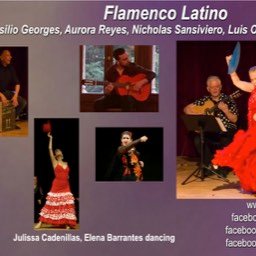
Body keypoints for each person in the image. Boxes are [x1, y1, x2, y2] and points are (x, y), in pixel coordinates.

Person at [212, 57, 256, 192]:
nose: (254, 82)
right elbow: (236, 81)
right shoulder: (252, 88)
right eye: (252, 79)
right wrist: (230, 65)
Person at [184, 76, 238, 177]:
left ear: (221, 87)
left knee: (225, 140)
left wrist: (226, 110)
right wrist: (199, 116)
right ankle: (208, 165)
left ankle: (223, 167)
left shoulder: (229, 100)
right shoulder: (204, 100)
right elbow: (186, 109)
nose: (215, 89)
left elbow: (234, 119)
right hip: (211, 130)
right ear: (208, 89)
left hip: (226, 130)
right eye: (212, 87)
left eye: (217, 86)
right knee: (198, 139)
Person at [34, 133, 77, 229]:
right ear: (55, 155)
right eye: (56, 151)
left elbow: (67, 173)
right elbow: (49, 149)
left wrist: (67, 176)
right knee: (50, 204)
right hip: (57, 185)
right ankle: (40, 223)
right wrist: (51, 138)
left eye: (59, 151)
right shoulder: (55, 162)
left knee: (66, 204)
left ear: (62, 153)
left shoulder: (66, 163)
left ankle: (66, 223)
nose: (58, 152)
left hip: (66, 186)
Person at [94, 47, 156, 112]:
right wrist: (107, 91)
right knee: (98, 103)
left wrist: (140, 83)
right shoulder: (110, 72)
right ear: (117, 61)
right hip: (116, 98)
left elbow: (152, 74)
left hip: (132, 98)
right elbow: (107, 93)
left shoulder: (133, 67)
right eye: (125, 59)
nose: (128, 60)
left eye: (127, 57)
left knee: (127, 98)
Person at [0, 49, 26, 119]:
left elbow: (17, 83)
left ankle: (9, 120)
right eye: (8, 55)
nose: (10, 57)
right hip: (0, 93)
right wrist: (1, 96)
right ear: (1, 57)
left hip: (4, 92)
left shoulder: (10, 68)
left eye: (10, 55)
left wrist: (15, 96)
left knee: (22, 102)